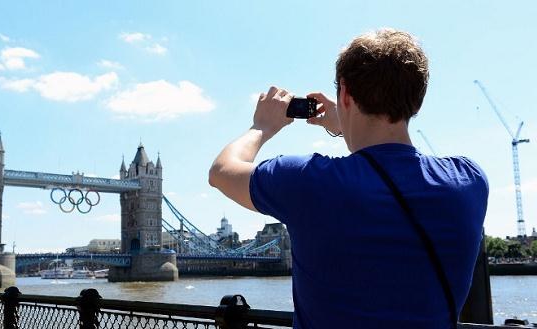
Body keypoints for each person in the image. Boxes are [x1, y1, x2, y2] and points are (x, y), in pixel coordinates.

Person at [208, 28, 488, 328]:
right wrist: (346, 120)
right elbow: (384, 165)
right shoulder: (469, 182)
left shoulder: (307, 182)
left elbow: (221, 171)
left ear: (344, 93)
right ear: (417, 101)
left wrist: (261, 126)